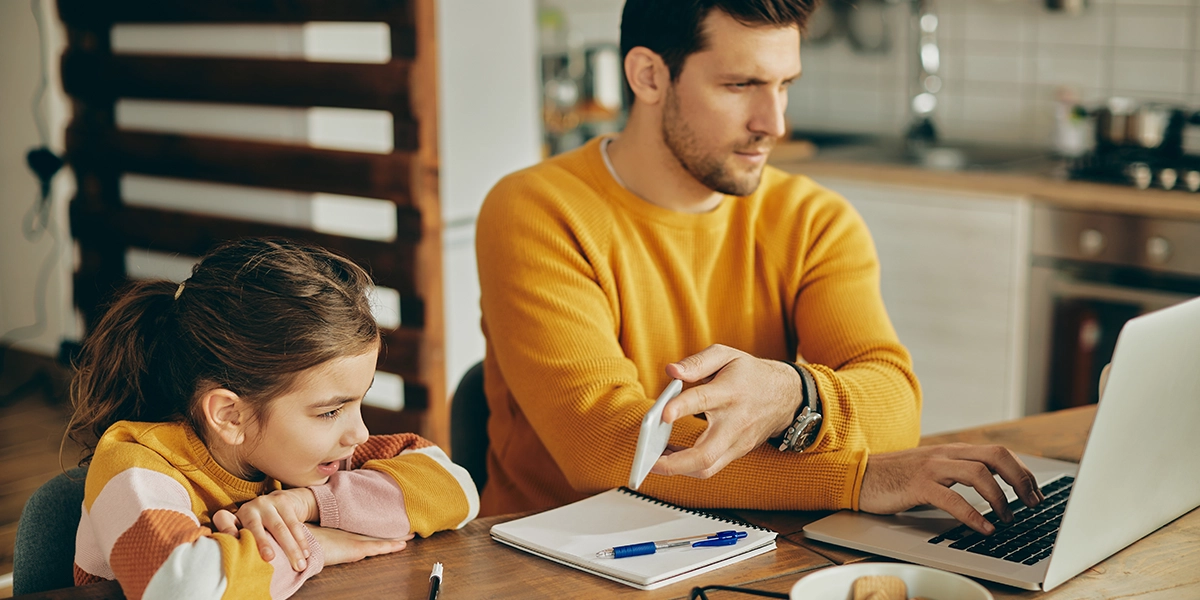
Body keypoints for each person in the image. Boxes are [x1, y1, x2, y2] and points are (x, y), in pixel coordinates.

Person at [475, 0, 1042, 535]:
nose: (773, 122)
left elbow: (895, 404)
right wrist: (856, 477)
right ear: (649, 76)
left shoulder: (814, 220)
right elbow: (609, 448)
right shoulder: (537, 210)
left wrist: (797, 396)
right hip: (558, 559)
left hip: (745, 544)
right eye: (740, 85)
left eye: (784, 85)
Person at [67, 239, 479, 600]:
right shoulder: (133, 468)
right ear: (230, 416)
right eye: (331, 411)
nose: (359, 432)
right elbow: (184, 589)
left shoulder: (301, 463)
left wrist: (308, 505)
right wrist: (313, 546)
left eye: (359, 402)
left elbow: (458, 491)